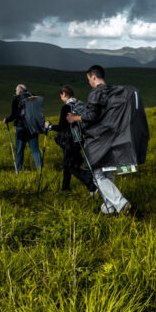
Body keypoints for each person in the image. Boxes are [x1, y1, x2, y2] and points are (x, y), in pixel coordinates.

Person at [66, 65, 136, 215]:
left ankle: (122, 204)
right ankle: (109, 208)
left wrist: (74, 118)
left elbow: (91, 116)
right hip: (114, 138)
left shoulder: (96, 93)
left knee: (97, 176)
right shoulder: (115, 93)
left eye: (89, 79)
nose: (89, 82)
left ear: (93, 77)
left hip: (97, 141)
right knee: (107, 173)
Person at [45, 85, 97, 195]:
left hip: (69, 141)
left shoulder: (66, 107)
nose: (61, 98)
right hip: (79, 139)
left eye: (61, 95)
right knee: (69, 164)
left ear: (63, 94)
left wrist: (50, 126)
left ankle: (91, 184)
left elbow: (62, 127)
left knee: (70, 166)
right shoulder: (80, 104)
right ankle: (65, 188)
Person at [3, 84, 42, 171]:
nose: (15, 92)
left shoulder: (16, 101)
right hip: (33, 128)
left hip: (21, 128)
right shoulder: (33, 98)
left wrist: (7, 120)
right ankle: (40, 170)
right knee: (35, 150)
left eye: (16, 90)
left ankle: (18, 170)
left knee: (20, 150)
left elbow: (14, 115)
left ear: (19, 91)